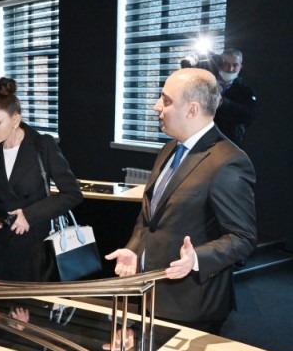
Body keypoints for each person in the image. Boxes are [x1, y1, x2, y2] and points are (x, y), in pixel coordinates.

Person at [105, 68, 257, 336]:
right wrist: (134, 249)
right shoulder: (169, 149)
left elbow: (243, 237)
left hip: (192, 307)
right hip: (150, 294)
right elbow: (149, 216)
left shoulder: (228, 162)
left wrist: (196, 257)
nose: (156, 106)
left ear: (192, 109)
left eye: (166, 100)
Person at [0, 77, 83, 281]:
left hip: (36, 248)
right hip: (1, 249)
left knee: (32, 301)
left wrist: (29, 215)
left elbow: (72, 194)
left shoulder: (42, 145)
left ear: (15, 120)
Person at [212, 48, 257, 148]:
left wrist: (223, 102)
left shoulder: (246, 91)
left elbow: (248, 115)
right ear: (219, 64)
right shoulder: (207, 85)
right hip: (204, 142)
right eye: (226, 64)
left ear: (240, 67)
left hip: (230, 143)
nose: (230, 69)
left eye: (235, 65)